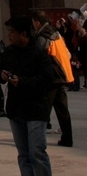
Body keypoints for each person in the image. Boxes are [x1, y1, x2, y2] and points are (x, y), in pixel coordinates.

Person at [0, 15, 57, 176]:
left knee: (37, 152)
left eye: (12, 32)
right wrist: (2, 75)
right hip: (16, 109)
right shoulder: (9, 52)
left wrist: (22, 82)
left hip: (36, 109)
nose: (9, 35)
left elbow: (47, 79)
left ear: (24, 34)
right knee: (23, 154)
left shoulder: (38, 53)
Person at [31, 10, 73, 147]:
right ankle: (67, 139)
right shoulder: (57, 33)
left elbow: (39, 58)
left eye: (33, 22)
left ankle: (38, 141)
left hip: (50, 78)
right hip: (61, 76)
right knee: (63, 110)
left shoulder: (43, 37)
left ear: (37, 22)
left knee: (43, 111)